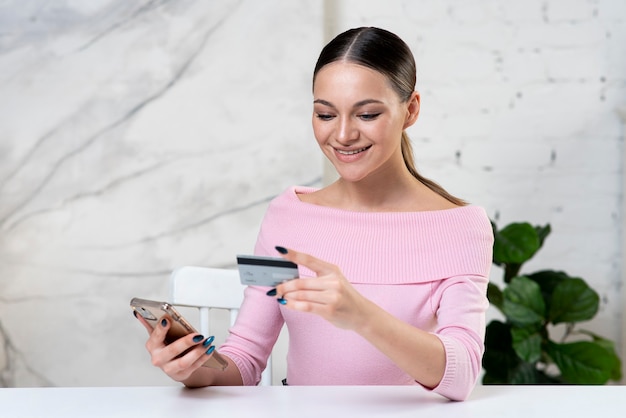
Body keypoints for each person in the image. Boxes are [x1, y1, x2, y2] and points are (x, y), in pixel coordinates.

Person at [136, 26, 493, 402]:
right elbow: (245, 358)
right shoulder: (286, 215)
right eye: (325, 114)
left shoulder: (461, 226)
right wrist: (194, 369)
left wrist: (361, 315)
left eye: (367, 114)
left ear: (411, 110)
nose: (342, 134)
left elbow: (462, 372)